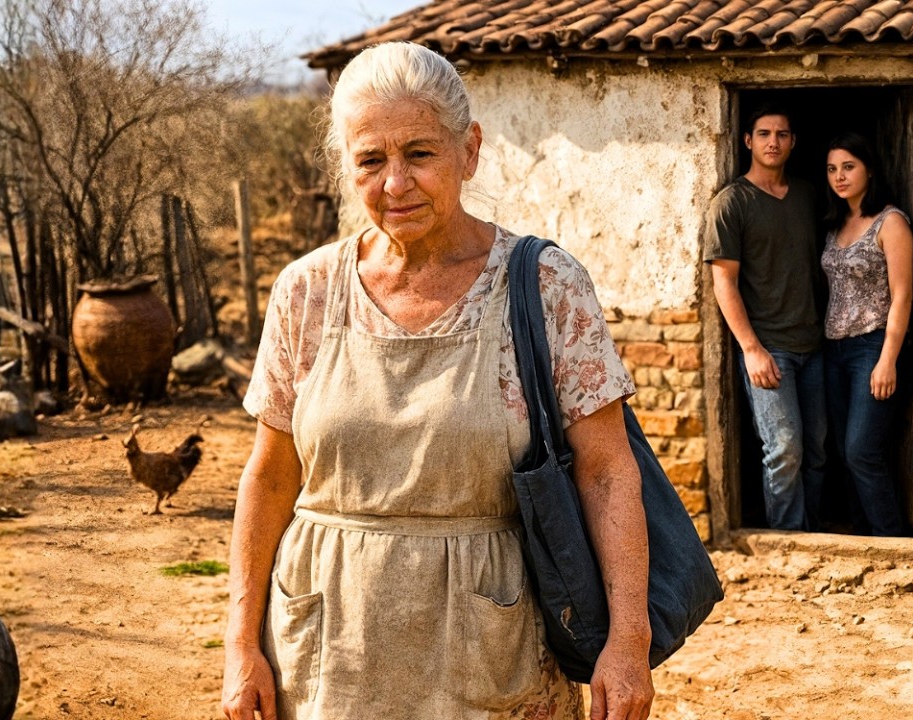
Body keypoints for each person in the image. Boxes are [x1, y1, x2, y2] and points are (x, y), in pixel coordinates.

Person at [221, 42, 654, 720]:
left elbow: (606, 472)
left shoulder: (544, 286)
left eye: (420, 153)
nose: (395, 183)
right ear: (346, 167)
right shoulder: (305, 292)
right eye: (370, 160)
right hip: (327, 659)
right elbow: (271, 476)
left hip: (491, 650)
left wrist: (628, 642)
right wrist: (240, 644)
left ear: (469, 149)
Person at [703, 106, 826, 532]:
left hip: (814, 345)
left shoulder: (809, 195)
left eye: (782, 133)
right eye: (764, 133)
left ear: (793, 142)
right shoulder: (731, 203)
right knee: (784, 448)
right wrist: (751, 350)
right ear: (748, 141)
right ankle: (787, 540)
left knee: (818, 451)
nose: (773, 141)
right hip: (768, 347)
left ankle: (814, 533)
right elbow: (725, 282)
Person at [819, 132, 912, 537]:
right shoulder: (835, 222)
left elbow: (903, 295)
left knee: (862, 451)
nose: (839, 176)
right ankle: (862, 535)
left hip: (872, 347)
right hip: (833, 349)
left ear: (869, 169)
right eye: (832, 169)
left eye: (848, 167)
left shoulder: (890, 222)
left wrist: (887, 358)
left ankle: (892, 538)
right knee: (842, 451)